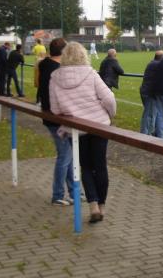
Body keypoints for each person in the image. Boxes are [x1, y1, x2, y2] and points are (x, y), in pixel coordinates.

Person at [50, 42, 117, 222]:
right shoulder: (90, 73)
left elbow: (55, 109)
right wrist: (110, 116)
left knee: (85, 167)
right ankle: (101, 206)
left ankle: (93, 204)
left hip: (75, 130)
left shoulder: (54, 77)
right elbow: (109, 99)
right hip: (98, 125)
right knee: (100, 166)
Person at [38, 38, 74, 206]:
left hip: (53, 117)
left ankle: (74, 192)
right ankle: (58, 195)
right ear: (64, 52)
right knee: (65, 156)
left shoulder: (46, 66)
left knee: (70, 156)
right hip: (56, 119)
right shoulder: (56, 71)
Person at [139, 50, 163, 136]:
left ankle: (152, 133)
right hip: (150, 93)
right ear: (161, 58)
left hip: (146, 91)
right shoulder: (157, 65)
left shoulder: (152, 63)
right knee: (149, 115)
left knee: (152, 114)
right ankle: (145, 136)